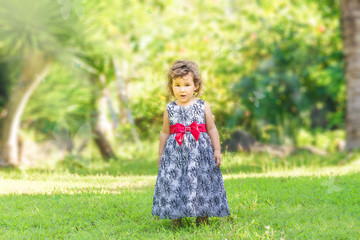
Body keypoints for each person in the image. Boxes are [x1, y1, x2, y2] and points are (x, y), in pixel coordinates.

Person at [151, 60, 231, 229]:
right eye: (177, 85)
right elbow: (165, 132)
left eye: (187, 85)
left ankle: (202, 218)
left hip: (199, 154)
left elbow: (212, 129)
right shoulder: (170, 108)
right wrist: (161, 155)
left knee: (201, 182)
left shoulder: (202, 106)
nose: (182, 89)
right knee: (175, 183)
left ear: (195, 86)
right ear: (171, 86)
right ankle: (176, 219)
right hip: (175, 155)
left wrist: (217, 150)